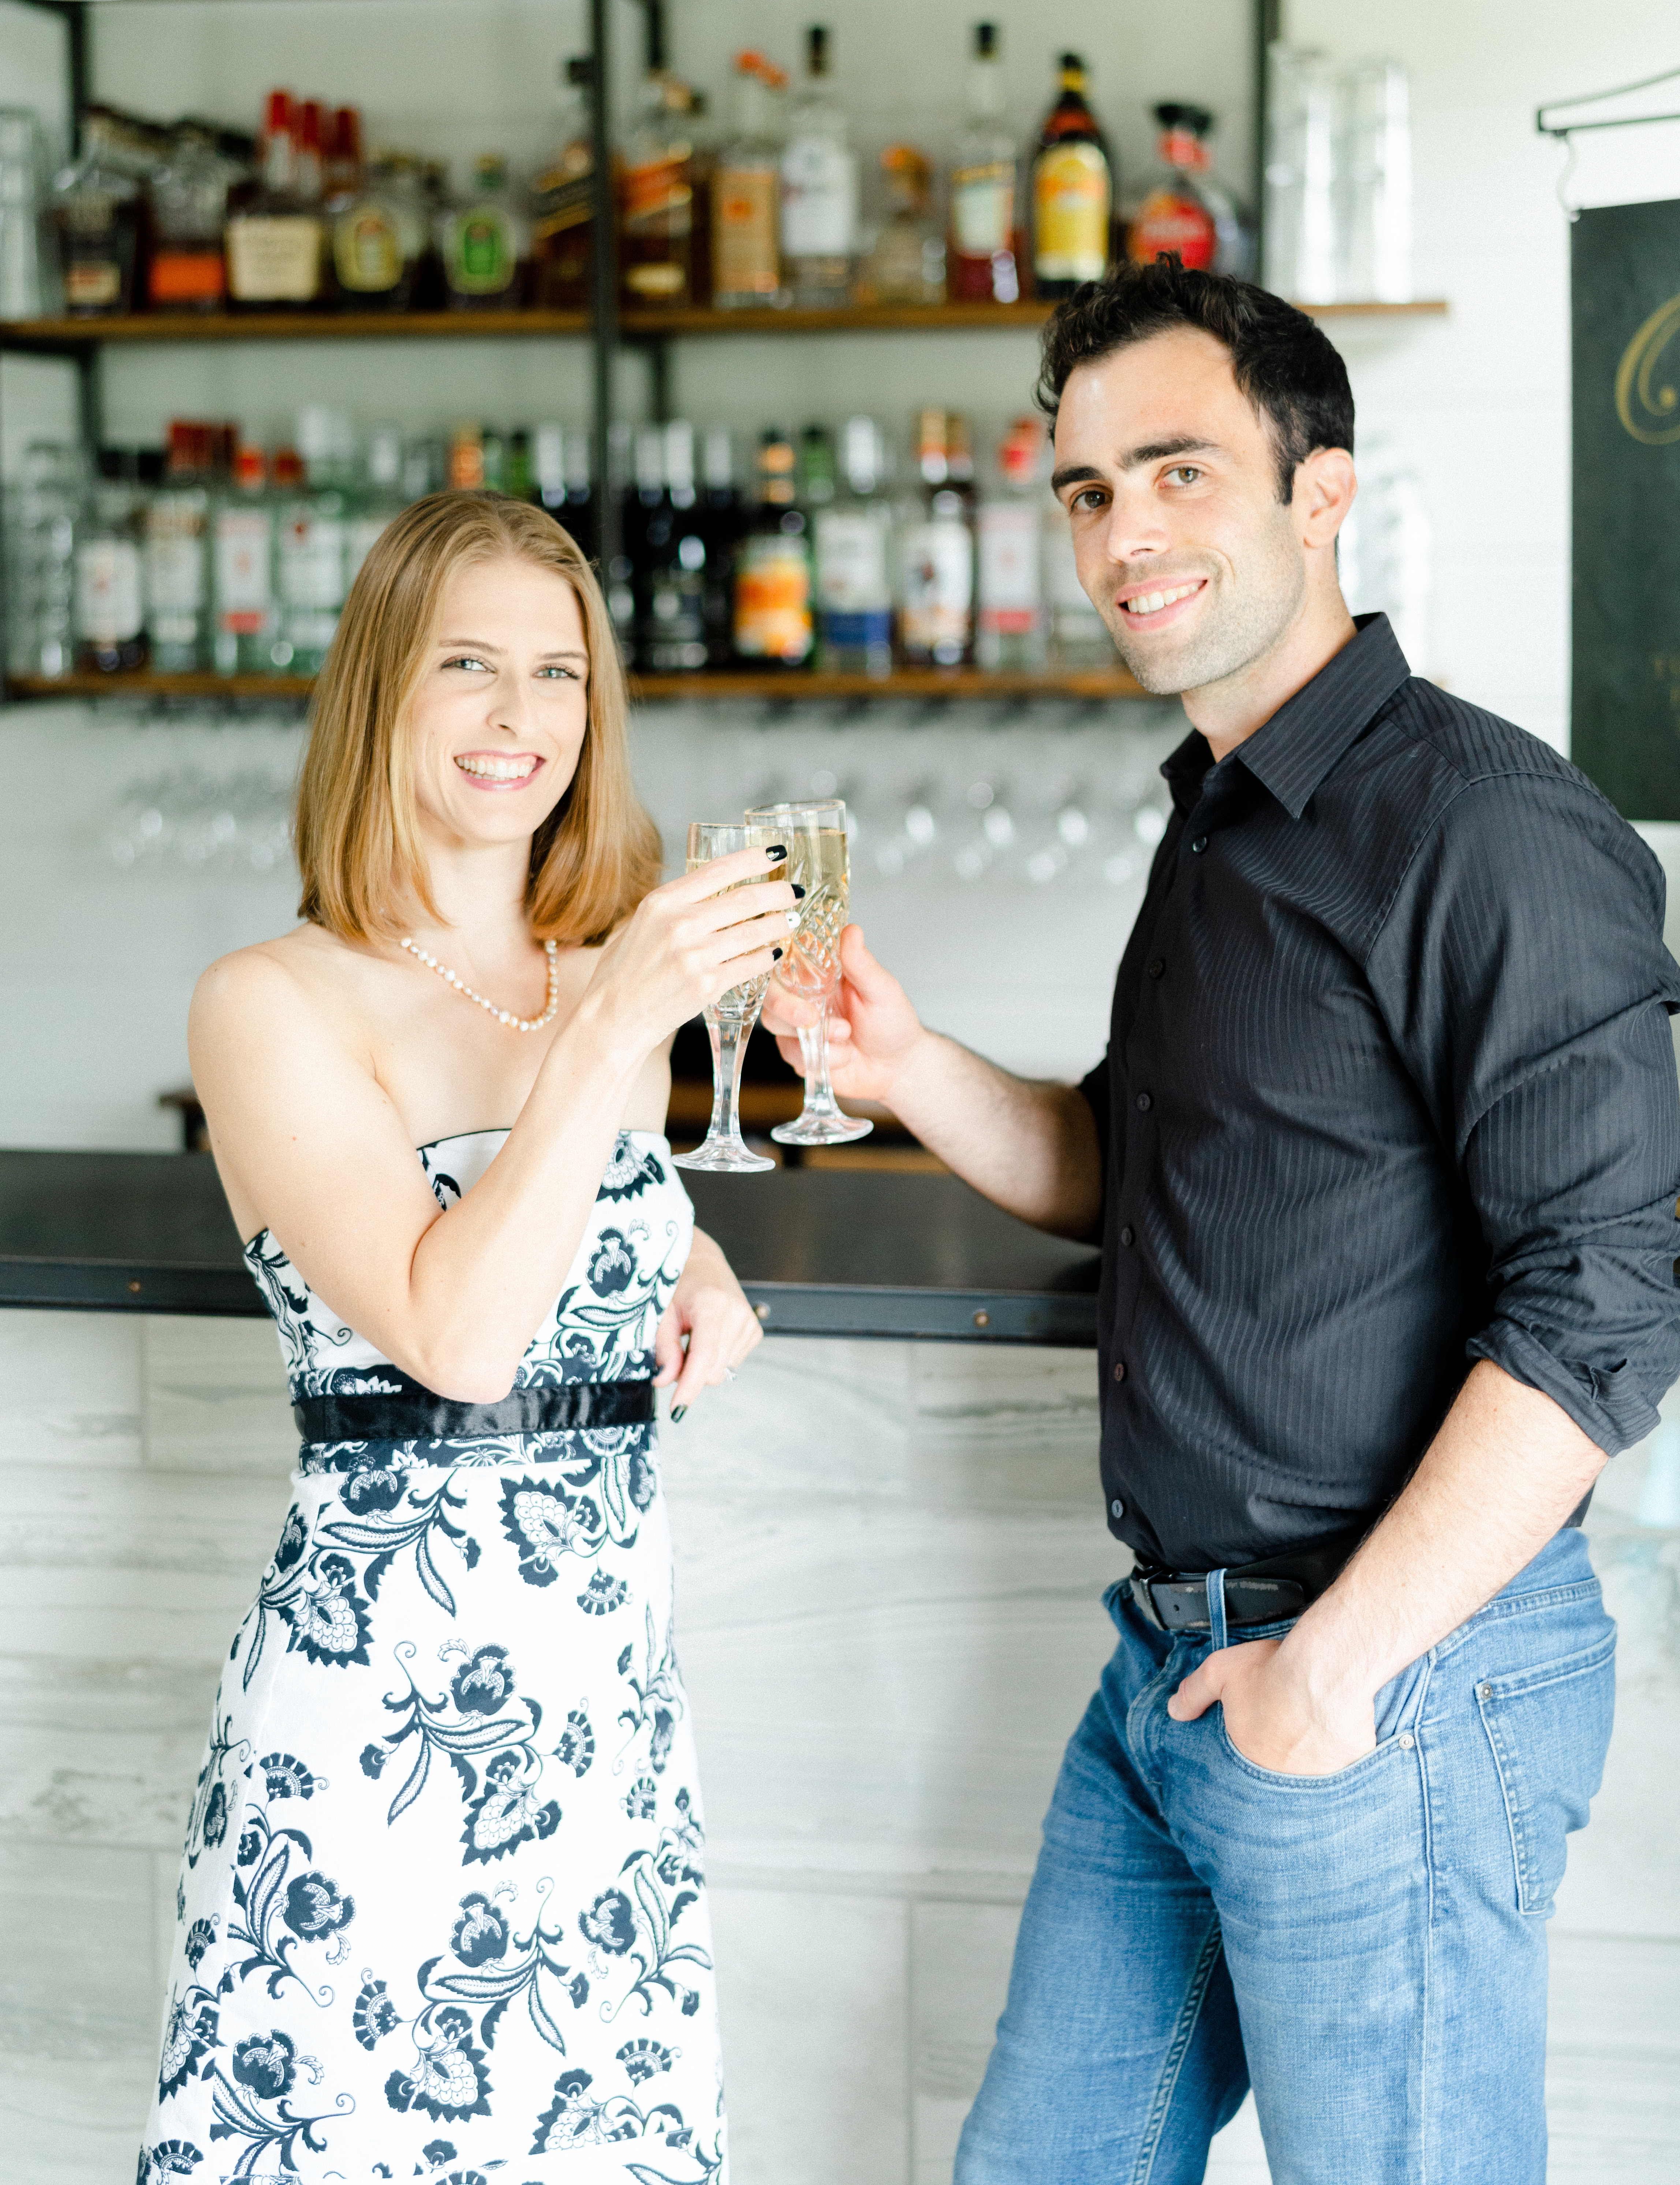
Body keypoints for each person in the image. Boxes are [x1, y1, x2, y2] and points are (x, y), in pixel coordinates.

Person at [777, 263, 1680, 2182]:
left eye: (1177, 470)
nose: (1125, 534)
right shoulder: (1221, 813)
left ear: (1320, 488)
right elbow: (1139, 1168)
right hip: (1174, 1667)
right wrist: (913, 1060)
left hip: (1390, 1677)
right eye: (1090, 491)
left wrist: (1338, 1670)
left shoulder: (1489, 828)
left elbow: (1609, 1301)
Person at [138, 489, 792, 2184]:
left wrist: (687, 1252)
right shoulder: (269, 1001)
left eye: (561, 675)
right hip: (379, 1735)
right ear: (382, 693)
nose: (522, 722)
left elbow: (569, 1217)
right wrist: (611, 1035)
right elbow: (454, 1336)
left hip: (602, 1723)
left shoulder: (592, 977)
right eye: (470, 669)